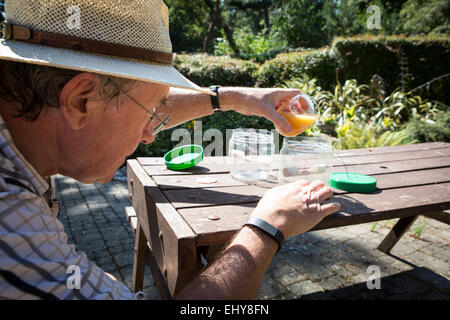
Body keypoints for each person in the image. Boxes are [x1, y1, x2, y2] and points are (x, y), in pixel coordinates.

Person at [0, 0, 340, 300]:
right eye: (150, 114)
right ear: (79, 101)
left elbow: (121, 105)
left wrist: (236, 97)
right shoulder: (11, 223)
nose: (151, 132)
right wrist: (269, 225)